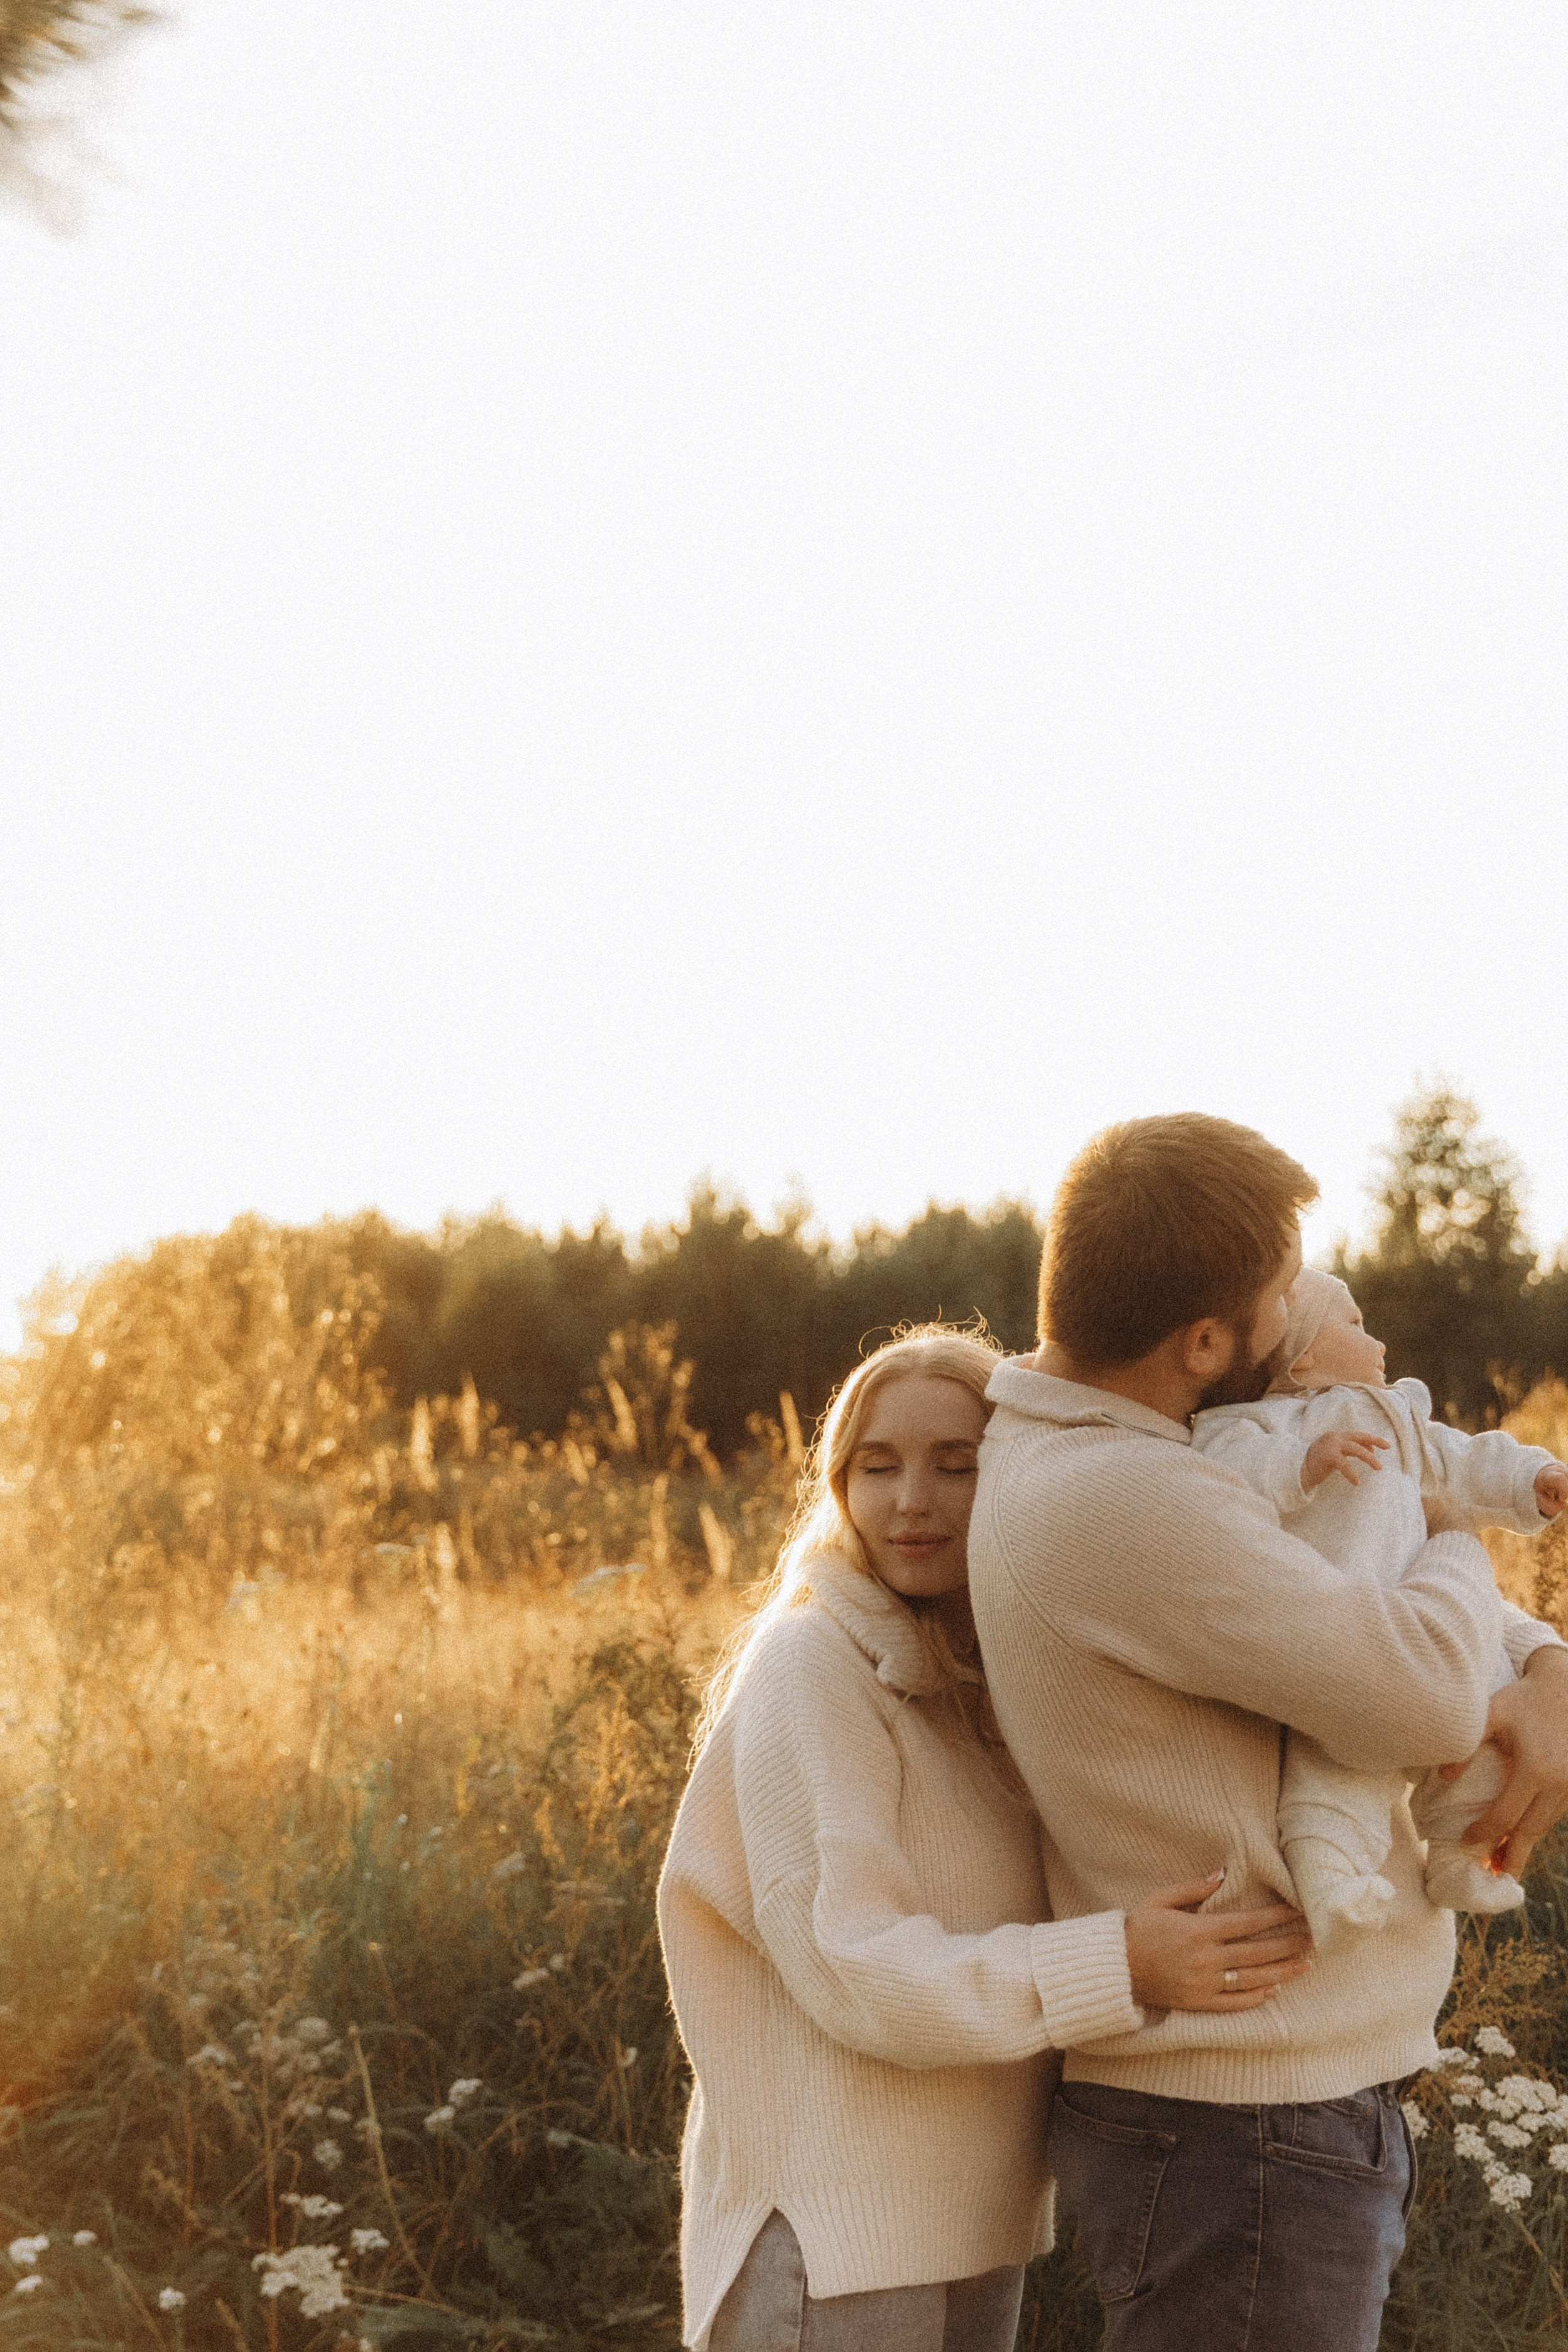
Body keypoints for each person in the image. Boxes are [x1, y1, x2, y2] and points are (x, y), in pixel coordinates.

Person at [967, 1114, 1568, 2352]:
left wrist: (1548, 1663)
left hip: (1262, 2113)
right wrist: (1454, 1523)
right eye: (1281, 1293)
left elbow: (1351, 1590)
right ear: (1203, 1342)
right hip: (1247, 2124)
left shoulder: (1131, 1453)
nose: (1302, 1309)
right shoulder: (1129, 1495)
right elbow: (1424, 1693)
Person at [658, 1327, 1312, 2352]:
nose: (911, 1500)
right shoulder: (810, 1663)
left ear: (1011, 1470)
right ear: (839, 1486)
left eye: (955, 1464)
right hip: (833, 2241)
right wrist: (1122, 1961)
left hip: (980, 2230)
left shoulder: (1000, 1675)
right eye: (877, 1466)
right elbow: (856, 1964)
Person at [1192, 1265, 1568, 1945]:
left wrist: (1529, 1479)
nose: (1378, 1342)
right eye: (1355, 1325)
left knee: (1479, 1744)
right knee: (1336, 1769)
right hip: (1346, 1624)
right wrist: (1302, 1463)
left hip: (1433, 1606)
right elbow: (1221, 1467)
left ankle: (1457, 1858)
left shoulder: (1397, 1413)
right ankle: (1330, 1885)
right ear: (1302, 1357)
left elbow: (1463, 1459)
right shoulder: (1259, 1423)